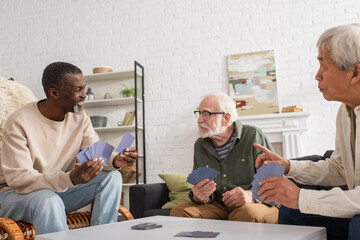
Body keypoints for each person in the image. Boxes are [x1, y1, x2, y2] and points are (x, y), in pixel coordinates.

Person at [0, 62, 138, 234]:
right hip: (15, 196)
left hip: (56, 191)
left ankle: (103, 237)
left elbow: (95, 149)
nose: (84, 95)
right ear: (54, 93)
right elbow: (20, 180)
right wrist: (70, 179)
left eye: (84, 88)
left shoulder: (79, 118)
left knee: (112, 177)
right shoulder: (19, 122)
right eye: (77, 90)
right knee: (47, 200)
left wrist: (116, 160)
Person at [254, 23, 360, 239]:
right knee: (292, 211)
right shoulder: (345, 111)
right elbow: (339, 168)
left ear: (355, 72)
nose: (317, 76)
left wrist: (302, 197)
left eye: (324, 66)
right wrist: (288, 166)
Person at [170, 92, 279, 223]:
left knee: (247, 214)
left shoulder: (253, 135)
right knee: (179, 211)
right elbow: (200, 189)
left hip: (257, 204)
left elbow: (275, 183)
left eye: (206, 114)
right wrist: (199, 196)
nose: (199, 120)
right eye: (198, 113)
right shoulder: (200, 145)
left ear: (226, 119)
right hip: (218, 206)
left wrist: (251, 196)